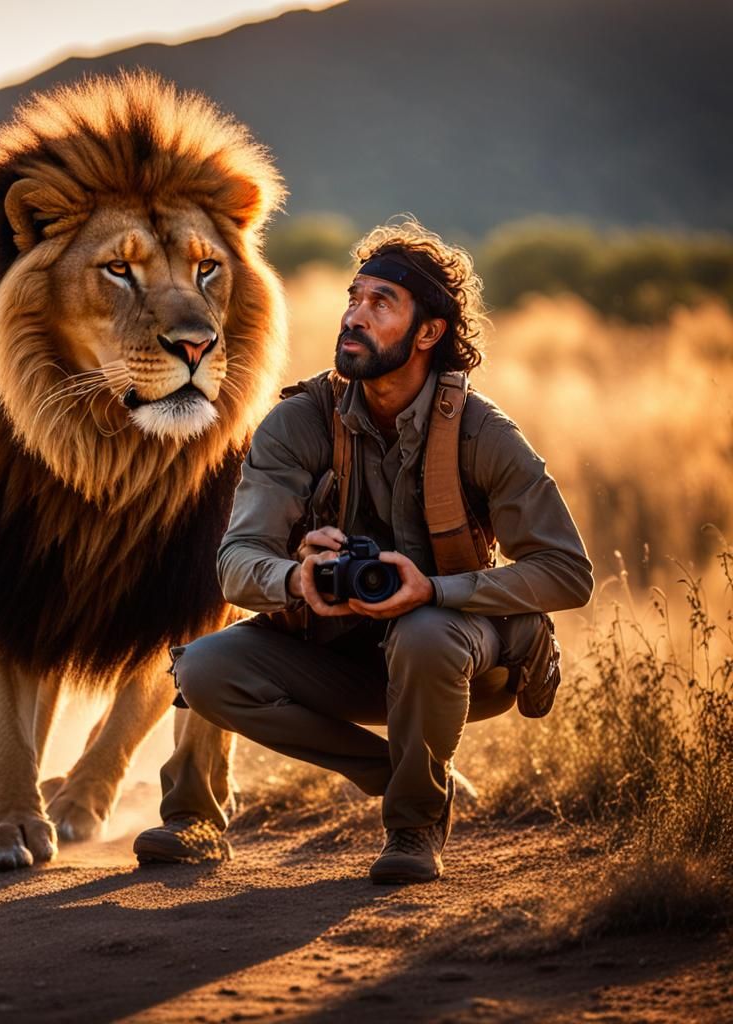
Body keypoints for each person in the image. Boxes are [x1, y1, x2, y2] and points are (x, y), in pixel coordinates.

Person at [132, 216, 594, 883]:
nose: (354, 315)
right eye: (354, 297)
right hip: (336, 649)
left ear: (428, 333)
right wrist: (298, 579)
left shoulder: (480, 433)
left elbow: (568, 573)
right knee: (201, 670)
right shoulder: (297, 422)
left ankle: (414, 826)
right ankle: (219, 813)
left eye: (381, 304)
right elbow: (236, 563)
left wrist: (433, 589)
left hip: (462, 662)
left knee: (426, 632)